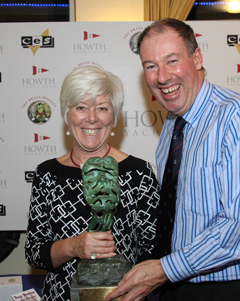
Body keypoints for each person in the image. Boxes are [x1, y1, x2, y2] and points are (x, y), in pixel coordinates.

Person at [106, 18, 240, 301]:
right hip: (176, 285)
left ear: (197, 58)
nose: (162, 77)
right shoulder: (173, 125)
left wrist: (164, 269)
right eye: (151, 66)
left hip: (231, 291)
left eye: (172, 60)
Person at [25, 65, 161, 301]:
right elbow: (35, 253)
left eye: (102, 108)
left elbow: (155, 253)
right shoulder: (47, 174)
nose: (91, 118)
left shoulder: (138, 172)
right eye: (80, 107)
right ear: (67, 115)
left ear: (114, 117)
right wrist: (74, 246)